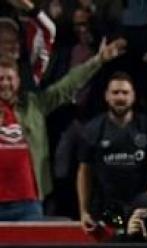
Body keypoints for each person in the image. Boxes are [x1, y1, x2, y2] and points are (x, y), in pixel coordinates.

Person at [0, 36, 124, 221]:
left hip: (28, 203)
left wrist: (98, 60)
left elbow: (66, 86)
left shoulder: (33, 105)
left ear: (18, 81)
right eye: (0, 78)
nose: (4, 83)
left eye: (9, 78)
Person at [76, 71, 147, 233]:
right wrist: (84, 212)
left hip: (141, 210)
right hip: (106, 212)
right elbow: (84, 173)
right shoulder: (92, 129)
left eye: (125, 93)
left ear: (133, 96)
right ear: (106, 96)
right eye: (115, 92)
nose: (120, 97)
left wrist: (144, 207)